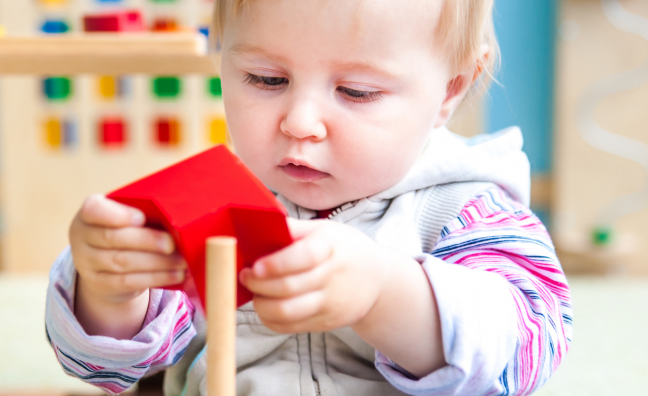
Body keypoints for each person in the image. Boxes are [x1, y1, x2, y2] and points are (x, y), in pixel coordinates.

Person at [45, 0, 572, 395]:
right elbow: (106, 369)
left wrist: (383, 291)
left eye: (356, 92)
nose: (299, 122)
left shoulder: (469, 209)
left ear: (451, 89)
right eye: (266, 78)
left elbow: (523, 350)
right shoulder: (210, 200)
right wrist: (108, 291)